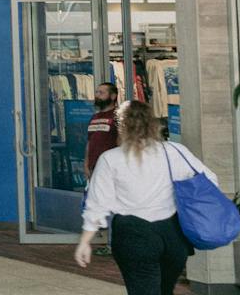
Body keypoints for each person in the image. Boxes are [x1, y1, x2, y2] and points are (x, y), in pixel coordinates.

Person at [75, 100, 219, 295]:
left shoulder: (111, 158)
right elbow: (210, 180)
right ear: (152, 123)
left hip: (133, 234)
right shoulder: (175, 151)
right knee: (165, 291)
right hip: (173, 234)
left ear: (121, 126)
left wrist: (85, 241)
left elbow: (97, 204)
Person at [87, 82, 122, 176]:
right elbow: (89, 142)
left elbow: (121, 142)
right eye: (96, 92)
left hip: (111, 167)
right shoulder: (94, 117)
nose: (97, 95)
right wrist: (86, 165)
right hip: (94, 168)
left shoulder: (119, 116)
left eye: (101, 93)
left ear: (113, 96)